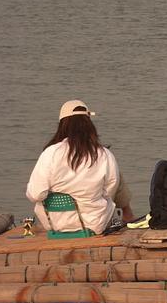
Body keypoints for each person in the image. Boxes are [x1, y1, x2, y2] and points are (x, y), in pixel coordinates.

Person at [26, 100, 134, 235]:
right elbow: (109, 192)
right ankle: (128, 215)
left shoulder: (50, 153)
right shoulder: (104, 154)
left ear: (62, 125)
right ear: (89, 124)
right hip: (95, 224)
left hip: (54, 223)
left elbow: (36, 194)